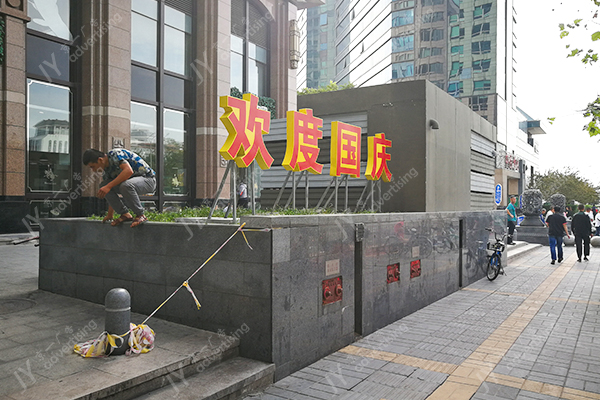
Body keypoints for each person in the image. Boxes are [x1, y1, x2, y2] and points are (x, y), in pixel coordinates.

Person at [83, 148, 156, 228]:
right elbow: (111, 192)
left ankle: (140, 215)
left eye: (93, 167)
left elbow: (128, 171)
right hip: (131, 183)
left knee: (124, 185)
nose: (94, 170)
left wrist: (108, 186)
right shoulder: (107, 171)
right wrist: (110, 214)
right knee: (104, 186)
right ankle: (125, 214)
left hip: (148, 180)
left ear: (100, 160)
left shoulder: (115, 154)